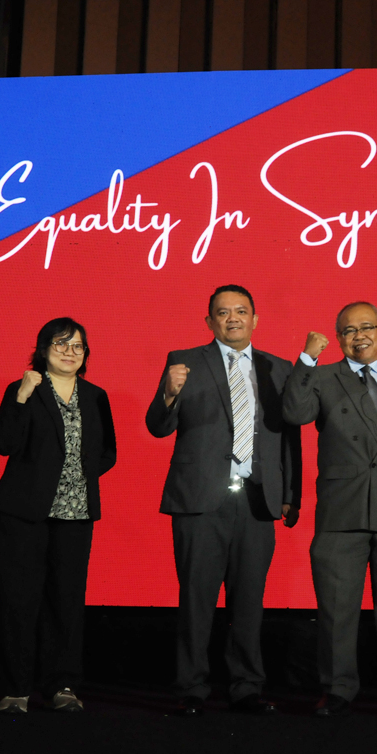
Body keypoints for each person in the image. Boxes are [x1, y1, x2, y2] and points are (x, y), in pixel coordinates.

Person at [145, 285, 301, 717]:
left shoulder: (278, 368)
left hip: (256, 500)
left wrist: (290, 494)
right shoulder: (185, 361)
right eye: (223, 312)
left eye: (241, 311)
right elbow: (158, 426)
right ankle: (191, 687)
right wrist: (169, 394)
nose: (233, 318)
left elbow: (289, 436)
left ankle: (246, 686)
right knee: (196, 600)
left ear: (255, 319)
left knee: (249, 601)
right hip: (199, 500)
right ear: (209, 321)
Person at [282, 302, 377, 719]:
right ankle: (337, 689)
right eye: (349, 331)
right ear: (339, 339)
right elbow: (294, 413)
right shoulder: (323, 376)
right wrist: (307, 358)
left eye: (367, 327)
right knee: (337, 608)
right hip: (341, 509)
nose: (359, 336)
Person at [0, 317, 117, 714]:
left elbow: (108, 451)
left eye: (77, 346)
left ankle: (62, 685)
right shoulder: (24, 389)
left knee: (67, 603)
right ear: (43, 350)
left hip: (76, 513)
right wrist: (21, 396)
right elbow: (3, 443)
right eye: (60, 344)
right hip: (23, 512)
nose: (69, 352)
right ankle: (16, 689)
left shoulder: (96, 395)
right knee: (19, 600)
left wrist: (78, 478)